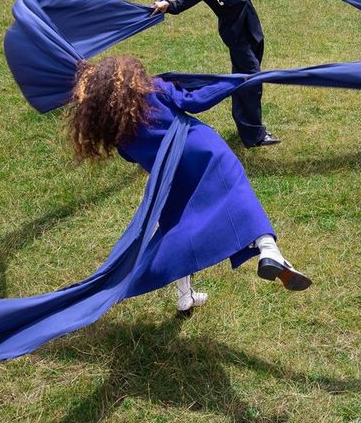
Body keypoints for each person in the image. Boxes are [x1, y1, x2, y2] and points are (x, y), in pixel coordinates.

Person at [66, 56, 311, 312]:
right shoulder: (155, 89)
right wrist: (236, 82)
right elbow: (194, 101)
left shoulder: (121, 136)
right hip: (203, 150)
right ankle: (268, 250)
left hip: (170, 176)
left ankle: (186, 296)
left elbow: (133, 157)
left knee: (176, 227)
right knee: (237, 195)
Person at [151, 0, 280, 148]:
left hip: (253, 29)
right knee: (252, 79)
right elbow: (182, 3)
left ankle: (246, 127)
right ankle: (254, 135)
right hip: (235, 37)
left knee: (244, 81)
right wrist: (167, 4)